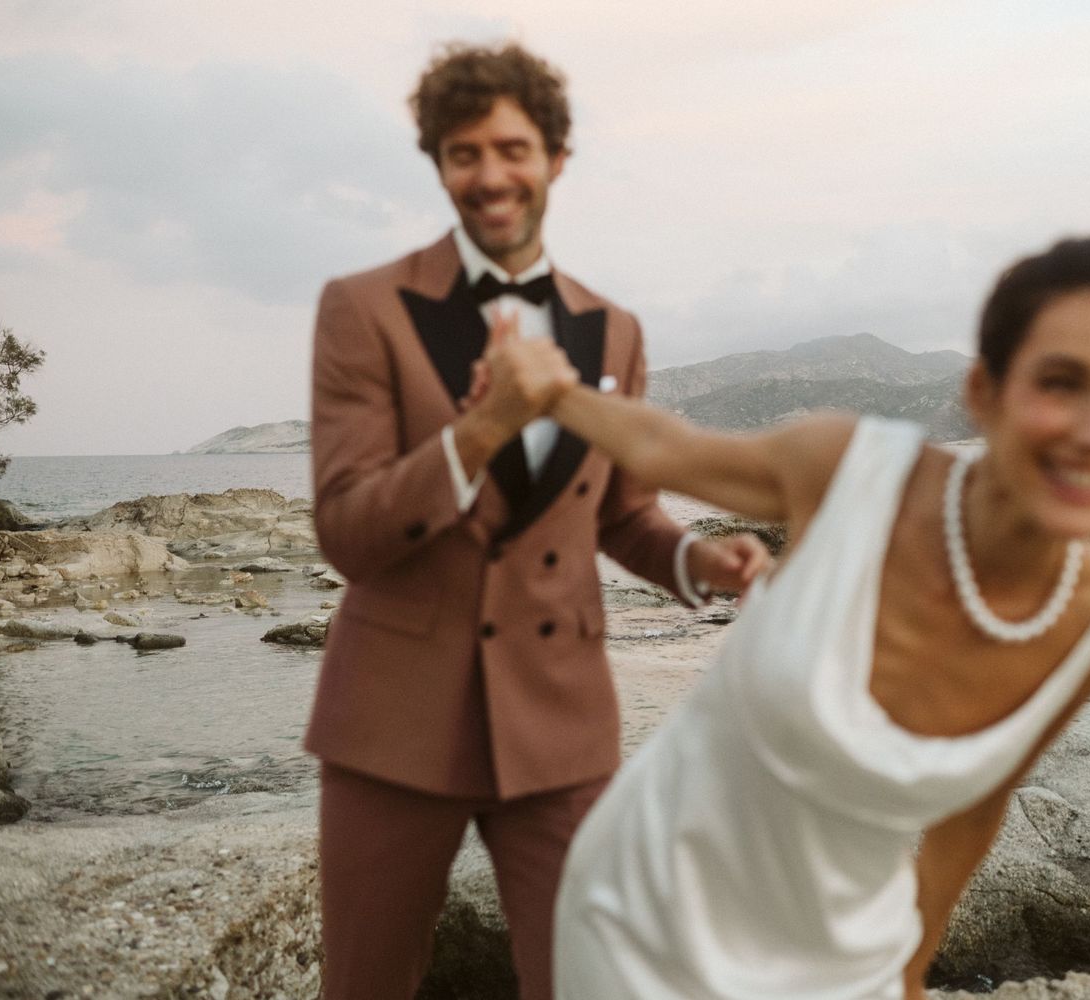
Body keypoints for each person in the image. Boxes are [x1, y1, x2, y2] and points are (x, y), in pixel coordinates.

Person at [483, 236, 1090, 998]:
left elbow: (977, 808)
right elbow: (661, 445)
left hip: (848, 965)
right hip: (644, 922)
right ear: (984, 392)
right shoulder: (850, 471)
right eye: (1062, 382)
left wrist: (909, 977)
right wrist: (550, 392)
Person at [304, 42, 768, 1000]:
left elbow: (621, 514)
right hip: (393, 725)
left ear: (556, 159)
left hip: (559, 727)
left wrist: (700, 562)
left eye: (512, 149)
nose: (490, 175)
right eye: (463, 153)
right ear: (438, 164)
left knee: (588, 981)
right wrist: (480, 433)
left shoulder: (617, 330)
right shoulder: (363, 310)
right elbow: (346, 532)